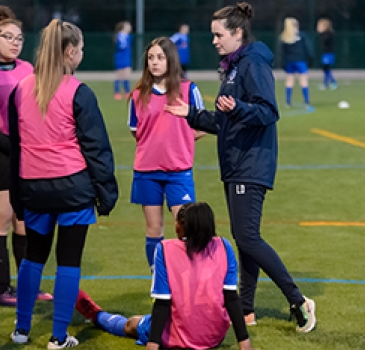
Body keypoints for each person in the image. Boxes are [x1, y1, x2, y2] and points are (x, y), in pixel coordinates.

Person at [164, 2, 316, 333]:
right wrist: (190, 113)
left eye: (218, 35)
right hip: (236, 161)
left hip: (251, 161)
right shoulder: (234, 67)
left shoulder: (252, 63)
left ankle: (298, 300)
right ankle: (246, 309)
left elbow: (267, 112)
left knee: (247, 237)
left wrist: (240, 108)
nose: (214, 41)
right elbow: (225, 120)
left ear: (237, 33)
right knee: (245, 237)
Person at [7, 19, 118, 350]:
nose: (81, 54)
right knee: (69, 261)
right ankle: (58, 336)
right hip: (72, 189)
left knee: (33, 258)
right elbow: (96, 149)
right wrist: (107, 194)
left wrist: (17, 196)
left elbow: (17, 148)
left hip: (33, 188)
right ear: (70, 52)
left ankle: (21, 330)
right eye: (80, 49)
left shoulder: (20, 89)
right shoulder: (79, 92)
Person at [75, 202, 268, 350]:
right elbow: (232, 299)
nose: (175, 226)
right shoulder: (224, 247)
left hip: (175, 336)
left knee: (132, 324)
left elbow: (162, 303)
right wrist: (246, 346)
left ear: (184, 227)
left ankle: (97, 315)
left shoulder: (165, 249)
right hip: (213, 337)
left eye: (177, 221)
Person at [0, 5, 52, 307]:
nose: (15, 42)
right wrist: (13, 145)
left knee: (25, 223)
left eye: (19, 38)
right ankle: (2, 289)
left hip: (29, 155)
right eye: (8, 37)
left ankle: (28, 286)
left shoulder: (28, 70)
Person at [128, 37, 205, 271]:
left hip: (178, 171)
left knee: (184, 227)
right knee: (153, 229)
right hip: (146, 171)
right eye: (151, 58)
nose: (154, 62)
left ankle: (184, 276)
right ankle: (158, 278)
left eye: (160, 57)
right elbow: (136, 130)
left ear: (171, 60)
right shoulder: (138, 94)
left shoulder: (188, 89)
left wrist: (178, 140)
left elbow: (202, 125)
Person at [280, 17, 314, 109]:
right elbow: (308, 48)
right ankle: (306, 101)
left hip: (290, 62)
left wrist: (283, 63)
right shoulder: (302, 36)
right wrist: (310, 60)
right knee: (303, 81)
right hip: (301, 61)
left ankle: (288, 102)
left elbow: (282, 52)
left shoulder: (284, 37)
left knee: (289, 81)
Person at [113, 21, 132, 100]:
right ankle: (117, 92)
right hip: (121, 57)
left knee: (127, 75)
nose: (130, 27)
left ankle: (127, 92)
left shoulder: (128, 36)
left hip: (126, 57)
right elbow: (121, 46)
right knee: (120, 75)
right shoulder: (120, 35)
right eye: (128, 26)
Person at [317, 18, 337, 90]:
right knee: (325, 69)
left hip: (328, 54)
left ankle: (333, 82)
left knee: (326, 68)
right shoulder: (324, 35)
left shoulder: (327, 35)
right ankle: (326, 84)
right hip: (326, 54)